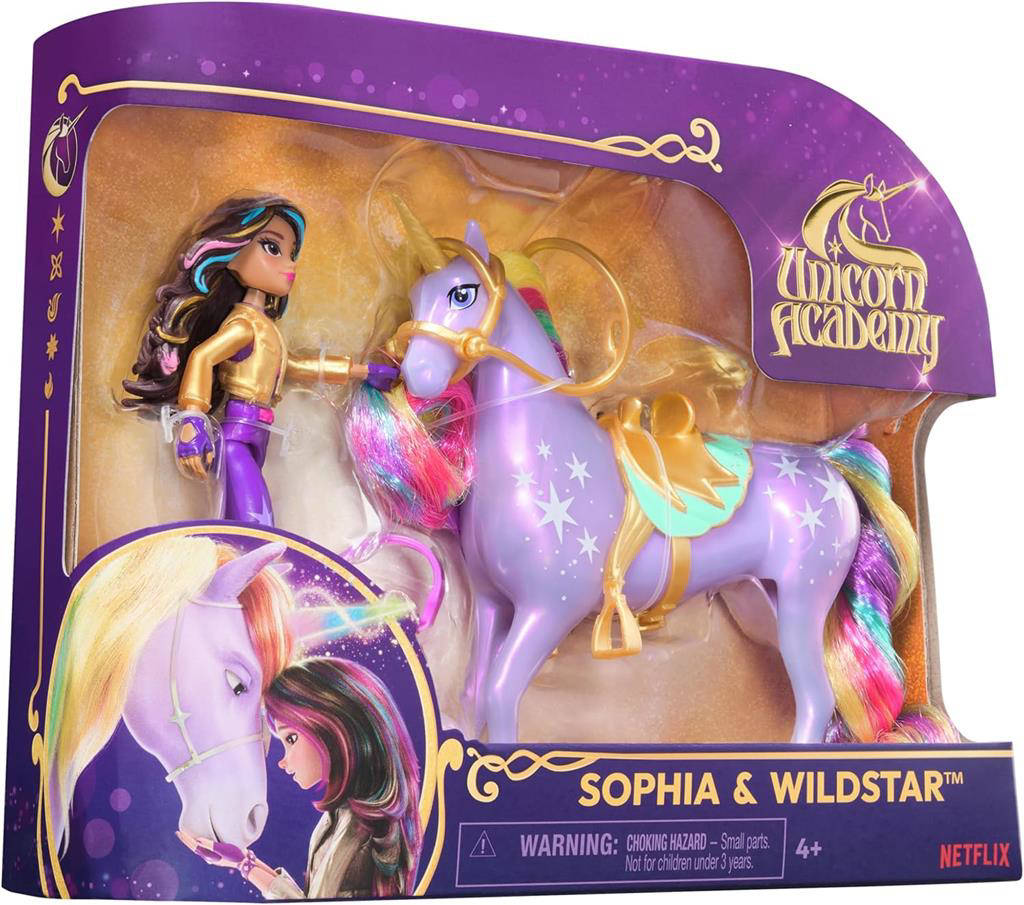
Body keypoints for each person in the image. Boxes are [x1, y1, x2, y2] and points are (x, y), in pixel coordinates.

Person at [122, 195, 396, 525]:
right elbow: (201, 356)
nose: (290, 265)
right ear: (232, 254)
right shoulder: (242, 326)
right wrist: (192, 419)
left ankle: (230, 554)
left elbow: (292, 366)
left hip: (258, 433)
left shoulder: (264, 327)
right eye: (272, 247)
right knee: (258, 518)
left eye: (292, 254)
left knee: (236, 519)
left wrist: (360, 371)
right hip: (237, 435)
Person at [179, 657, 422, 898]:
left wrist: (245, 865)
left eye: (291, 739)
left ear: (333, 727)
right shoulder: (345, 815)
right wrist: (243, 862)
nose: (282, 761)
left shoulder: (358, 830)